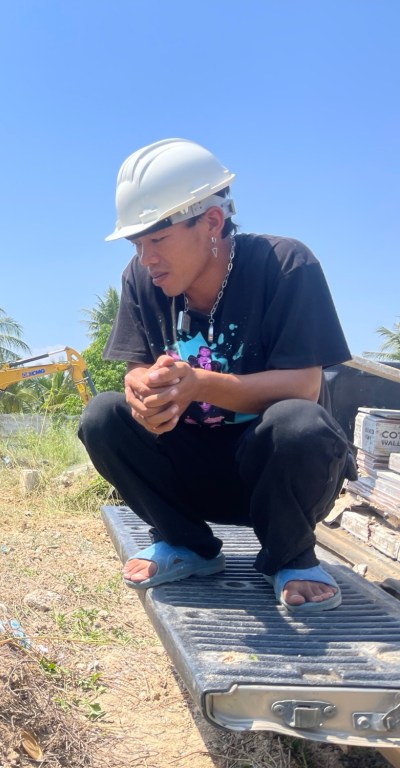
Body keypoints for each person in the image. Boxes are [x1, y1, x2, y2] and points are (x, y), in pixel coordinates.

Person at [77, 139, 355, 613]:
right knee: (102, 415)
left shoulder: (285, 265)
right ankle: (186, 543)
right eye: (137, 244)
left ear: (211, 221)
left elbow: (305, 387)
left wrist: (200, 384)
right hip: (194, 477)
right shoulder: (141, 280)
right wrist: (139, 387)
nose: (146, 258)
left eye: (157, 240)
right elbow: (135, 364)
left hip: (276, 477)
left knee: (299, 424)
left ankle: (291, 556)